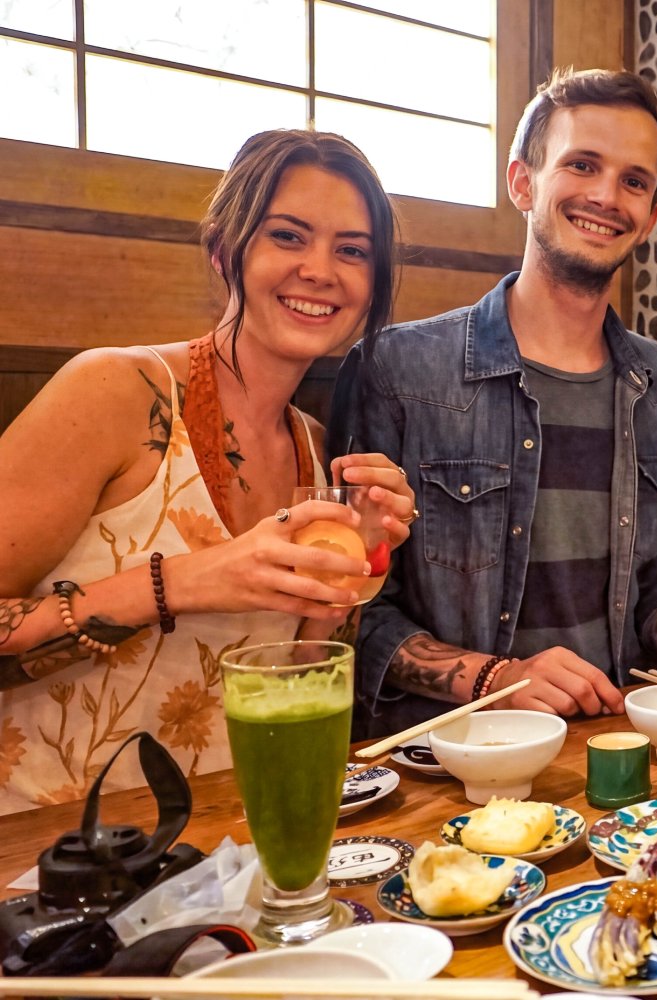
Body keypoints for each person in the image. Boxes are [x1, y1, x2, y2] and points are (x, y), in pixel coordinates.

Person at [329, 68, 657, 736]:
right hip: (450, 752)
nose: (606, 196)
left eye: (634, 181)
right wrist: (495, 679)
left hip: (616, 741)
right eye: (582, 165)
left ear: (650, 219)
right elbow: (350, 612)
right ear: (522, 182)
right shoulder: (396, 369)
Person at [0, 130, 416, 814]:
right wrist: (179, 583)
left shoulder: (315, 449)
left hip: (228, 838)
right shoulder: (115, 391)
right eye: (287, 236)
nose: (320, 270)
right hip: (55, 848)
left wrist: (359, 563)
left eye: (353, 251)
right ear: (224, 250)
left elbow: (295, 682)